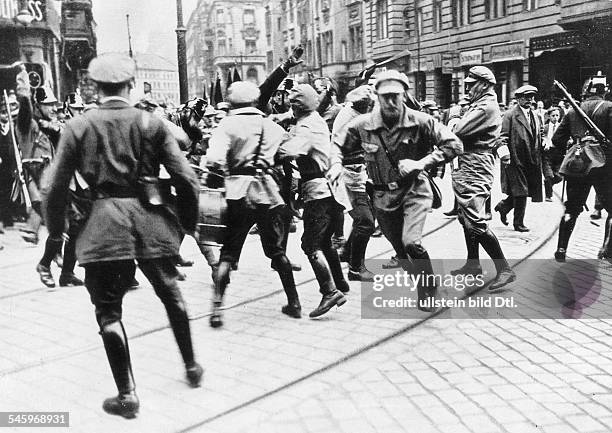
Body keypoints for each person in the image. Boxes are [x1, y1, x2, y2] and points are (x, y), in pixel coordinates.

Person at [42, 53, 203, 418]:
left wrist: (56, 233)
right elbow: (187, 179)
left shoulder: (78, 126)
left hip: (102, 225)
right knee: (171, 294)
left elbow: (54, 187)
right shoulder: (152, 122)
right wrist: (187, 227)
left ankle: (127, 395)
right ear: (131, 85)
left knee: (109, 311)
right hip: (150, 221)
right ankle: (191, 367)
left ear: (95, 87)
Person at [343, 70, 463, 310]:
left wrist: (421, 163)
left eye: (395, 96)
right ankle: (423, 280)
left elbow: (454, 144)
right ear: (376, 96)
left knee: (411, 243)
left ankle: (428, 290)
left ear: (404, 95)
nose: (390, 101)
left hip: (414, 191)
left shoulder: (421, 120)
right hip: (382, 196)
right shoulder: (363, 125)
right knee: (399, 248)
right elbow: (338, 147)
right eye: (385, 96)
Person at [206, 81, 301, 326]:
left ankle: (216, 310)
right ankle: (294, 302)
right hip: (265, 192)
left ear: (233, 102)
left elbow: (214, 160)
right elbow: (291, 150)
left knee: (228, 252)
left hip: (237, 192)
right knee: (276, 250)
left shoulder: (227, 124)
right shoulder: (270, 125)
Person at [278, 84, 350, 318]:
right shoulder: (315, 118)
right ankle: (341, 283)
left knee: (310, 244)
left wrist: (270, 148)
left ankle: (330, 292)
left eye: (293, 105)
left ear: (299, 106)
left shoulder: (305, 126)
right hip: (330, 190)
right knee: (326, 240)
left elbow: (290, 151)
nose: (291, 109)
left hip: (316, 191)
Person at [449, 66, 516, 292]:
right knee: (465, 216)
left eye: (472, 83)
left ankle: (504, 269)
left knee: (474, 219)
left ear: (485, 84)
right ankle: (473, 263)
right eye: (467, 83)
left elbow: (456, 130)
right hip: (468, 163)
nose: (467, 87)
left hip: (476, 164)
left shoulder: (486, 107)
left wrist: (454, 117)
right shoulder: (478, 104)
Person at [551, 73, 612, 262]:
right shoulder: (609, 108)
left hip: (577, 164)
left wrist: (574, 145)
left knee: (571, 209)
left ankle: (561, 250)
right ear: (605, 92)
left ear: (586, 92)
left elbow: (556, 139)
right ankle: (606, 251)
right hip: (604, 166)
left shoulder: (572, 111)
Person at [332, 85, 376, 281]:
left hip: (357, 173)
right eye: (367, 102)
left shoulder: (354, 113)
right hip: (348, 174)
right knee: (365, 222)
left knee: (369, 212)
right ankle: (356, 269)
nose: (370, 105)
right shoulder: (350, 119)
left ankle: (347, 252)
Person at [494, 85, 544, 232]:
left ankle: (503, 207)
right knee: (521, 191)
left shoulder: (535, 115)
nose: (530, 100)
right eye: (526, 97)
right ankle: (518, 223)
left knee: (525, 190)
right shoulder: (510, 115)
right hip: (515, 159)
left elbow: (539, 133)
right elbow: (501, 137)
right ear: (518, 99)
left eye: (532, 97)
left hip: (532, 159)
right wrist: (505, 154)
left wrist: (545, 141)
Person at [542, 107, 562, 202]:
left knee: (559, 177)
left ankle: (548, 183)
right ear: (549, 116)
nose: (555, 117)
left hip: (558, 155)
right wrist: (544, 142)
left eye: (557, 115)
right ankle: (548, 195)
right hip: (547, 154)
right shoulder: (544, 128)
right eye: (553, 115)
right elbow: (541, 137)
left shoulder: (562, 127)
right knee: (549, 175)